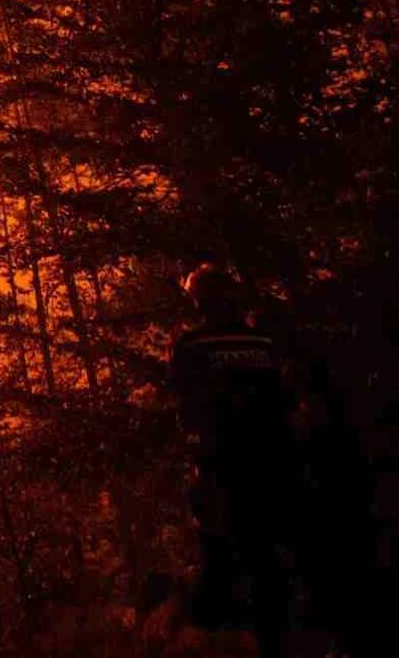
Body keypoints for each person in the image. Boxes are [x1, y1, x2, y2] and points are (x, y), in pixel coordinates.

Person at [169, 264, 298, 658]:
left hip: (222, 463)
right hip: (273, 460)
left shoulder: (190, 345)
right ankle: (275, 633)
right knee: (265, 551)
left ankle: (216, 636)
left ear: (198, 301)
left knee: (222, 550)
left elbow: (185, 407)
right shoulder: (260, 341)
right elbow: (282, 397)